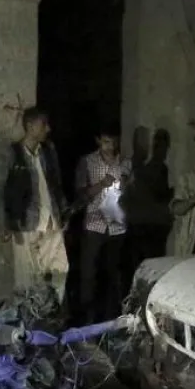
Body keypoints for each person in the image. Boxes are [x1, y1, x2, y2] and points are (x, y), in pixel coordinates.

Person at [2, 106, 69, 305]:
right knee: (26, 280)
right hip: (26, 225)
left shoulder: (48, 152)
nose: (48, 129)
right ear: (30, 126)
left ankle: (50, 313)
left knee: (60, 270)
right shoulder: (14, 154)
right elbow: (5, 189)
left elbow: (56, 183)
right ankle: (28, 323)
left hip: (51, 222)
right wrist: (7, 222)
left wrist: (63, 213)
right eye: (43, 124)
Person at [73, 127, 133, 323]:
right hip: (94, 226)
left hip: (117, 227)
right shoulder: (87, 162)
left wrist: (127, 187)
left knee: (114, 275)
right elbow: (80, 195)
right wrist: (101, 184)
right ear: (98, 140)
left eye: (114, 141)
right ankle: (87, 321)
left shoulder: (126, 163)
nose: (111, 146)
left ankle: (111, 320)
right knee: (89, 275)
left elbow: (133, 194)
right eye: (106, 141)